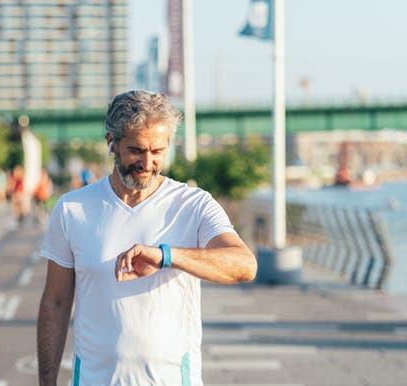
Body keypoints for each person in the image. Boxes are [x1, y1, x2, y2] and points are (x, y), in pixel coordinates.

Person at [36, 90, 257, 386]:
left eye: (157, 151)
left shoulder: (193, 204)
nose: (147, 162)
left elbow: (244, 266)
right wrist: (47, 382)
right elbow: (56, 302)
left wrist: (166, 256)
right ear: (111, 142)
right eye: (136, 150)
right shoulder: (72, 209)